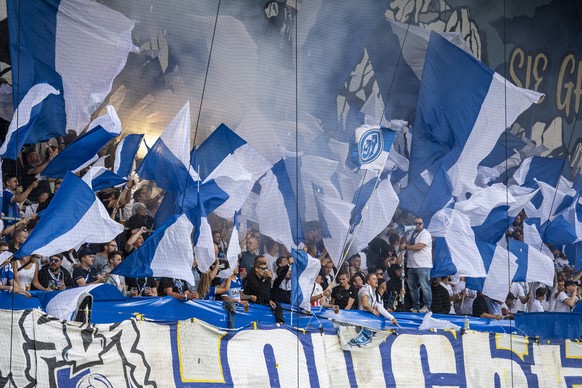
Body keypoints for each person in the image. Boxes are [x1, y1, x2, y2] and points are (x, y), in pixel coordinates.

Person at [400, 217, 432, 313]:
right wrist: (405, 233)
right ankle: (416, 306)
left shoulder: (425, 234)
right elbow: (403, 241)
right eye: (415, 223)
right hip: (412, 264)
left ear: (423, 224)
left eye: (419, 223)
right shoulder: (412, 233)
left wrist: (406, 246)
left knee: (424, 286)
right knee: (412, 287)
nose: (417, 225)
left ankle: (427, 306)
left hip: (423, 264)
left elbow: (419, 246)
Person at [244, 256, 284, 323]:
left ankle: (281, 323)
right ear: (256, 268)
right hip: (253, 301)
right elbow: (262, 292)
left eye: (266, 269)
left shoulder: (261, 278)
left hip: (261, 299)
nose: (265, 271)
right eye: (263, 269)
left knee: (276, 303)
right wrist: (268, 279)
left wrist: (269, 300)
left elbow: (267, 293)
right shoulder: (251, 278)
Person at [221, 265, 251, 329]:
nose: (237, 267)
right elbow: (225, 297)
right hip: (230, 306)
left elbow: (241, 295)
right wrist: (239, 301)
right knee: (232, 308)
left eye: (237, 266)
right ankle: (231, 329)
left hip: (239, 304)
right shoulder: (225, 280)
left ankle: (246, 325)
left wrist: (250, 297)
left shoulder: (239, 279)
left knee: (247, 306)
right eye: (234, 266)